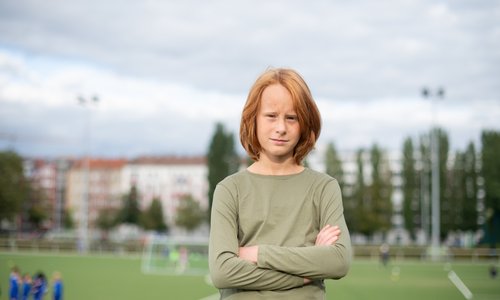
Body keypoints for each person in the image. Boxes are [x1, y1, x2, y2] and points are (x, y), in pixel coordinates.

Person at [209, 67, 352, 299]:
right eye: (271, 116)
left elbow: (338, 261)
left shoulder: (324, 188)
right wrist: (307, 270)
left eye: (291, 118)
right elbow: (222, 272)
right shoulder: (229, 190)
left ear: (304, 124)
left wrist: (257, 253)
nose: (281, 128)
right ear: (252, 119)